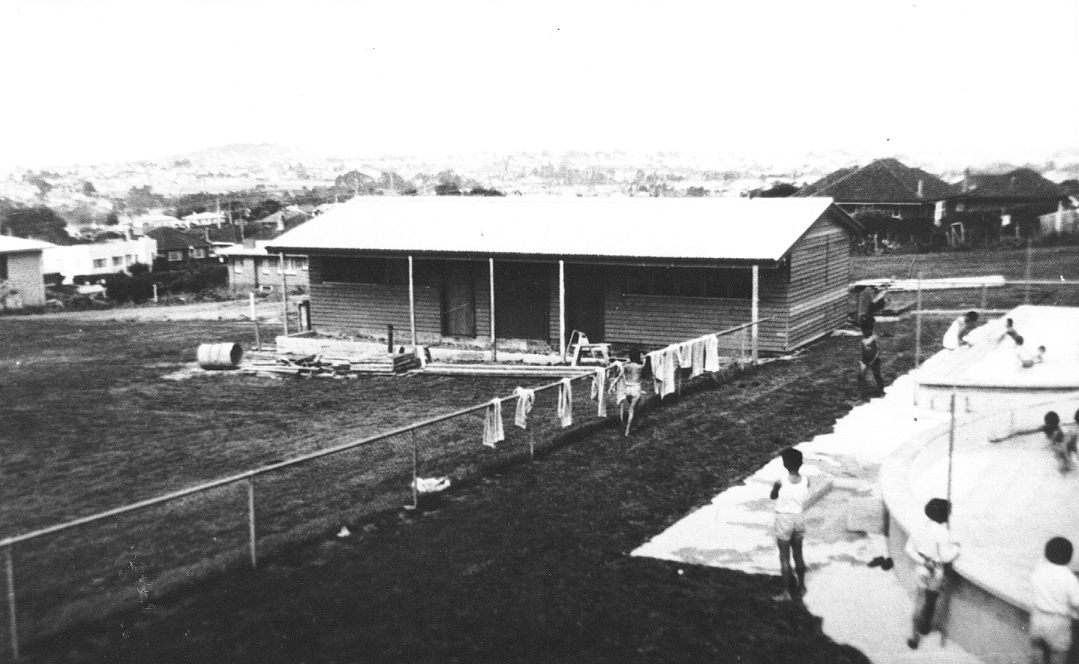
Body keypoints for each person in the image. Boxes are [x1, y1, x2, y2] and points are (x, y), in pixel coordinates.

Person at [905, 498, 961, 649]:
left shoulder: (918, 526)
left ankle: (914, 636)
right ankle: (925, 625)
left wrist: (923, 561)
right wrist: (956, 549)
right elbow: (945, 556)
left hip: (922, 568)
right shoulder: (942, 532)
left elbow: (909, 549)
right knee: (931, 600)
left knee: (919, 601)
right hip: (936, 571)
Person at [1028, 537, 1079, 664]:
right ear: (1069, 557)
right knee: (1058, 655)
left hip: (1038, 617)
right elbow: (1077, 603)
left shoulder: (1039, 571)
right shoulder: (1069, 578)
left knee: (1037, 654)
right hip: (1058, 622)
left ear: (1046, 554)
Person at [770, 447, 810, 601]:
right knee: (798, 554)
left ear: (785, 464)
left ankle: (787, 592)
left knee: (784, 558)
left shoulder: (780, 482)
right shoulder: (806, 480)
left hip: (784, 519)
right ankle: (801, 586)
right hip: (799, 518)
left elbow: (773, 496)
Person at [992, 411, 1075, 473]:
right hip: (1058, 446)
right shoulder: (1049, 428)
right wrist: (1004, 438)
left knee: (1063, 461)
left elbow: (1060, 444)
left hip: (1058, 446)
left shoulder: (1055, 430)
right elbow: (1025, 432)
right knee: (1063, 463)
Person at [618, 348, 645, 437]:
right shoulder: (640, 367)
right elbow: (645, 363)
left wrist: (613, 384)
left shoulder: (626, 366)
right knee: (632, 411)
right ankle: (627, 430)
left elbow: (620, 375)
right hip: (636, 389)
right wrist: (644, 358)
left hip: (628, 390)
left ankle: (635, 424)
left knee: (634, 408)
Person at [858, 319, 885, 399]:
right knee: (861, 376)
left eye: (865, 330)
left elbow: (877, 351)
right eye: (862, 331)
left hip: (874, 360)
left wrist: (873, 361)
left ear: (869, 330)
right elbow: (863, 352)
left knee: (877, 375)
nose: (863, 332)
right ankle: (862, 393)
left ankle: (881, 391)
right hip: (866, 360)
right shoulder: (863, 340)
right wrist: (862, 361)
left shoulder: (874, 338)